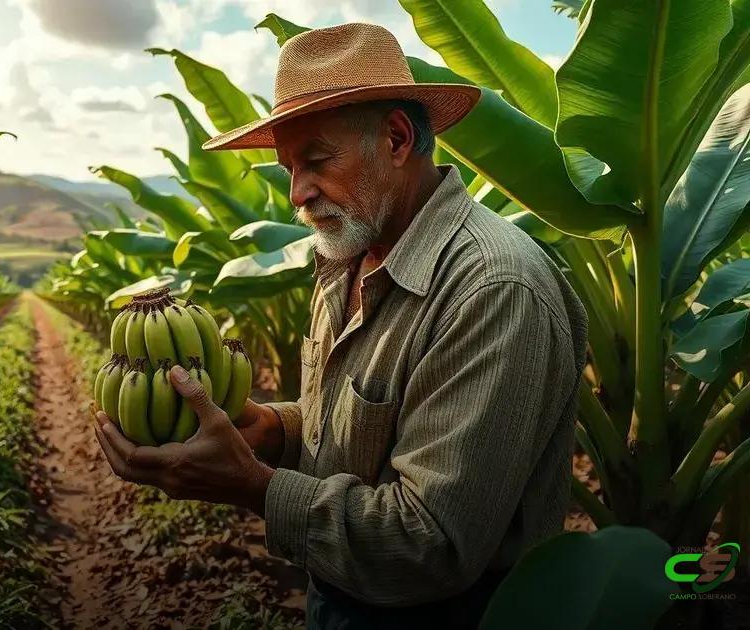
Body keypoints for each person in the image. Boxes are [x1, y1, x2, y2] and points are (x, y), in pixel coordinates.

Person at [92, 22, 588, 629]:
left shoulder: (492, 289)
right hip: (340, 596)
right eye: (287, 168)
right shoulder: (347, 251)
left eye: (317, 161)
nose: (298, 193)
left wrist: (253, 486)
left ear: (398, 138)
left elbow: (431, 544)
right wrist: (270, 429)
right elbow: (365, 426)